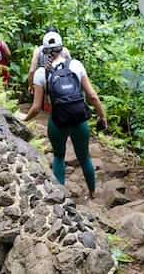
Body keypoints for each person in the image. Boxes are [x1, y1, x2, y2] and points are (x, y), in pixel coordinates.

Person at [17, 31, 107, 199]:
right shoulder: (76, 65)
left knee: (59, 156)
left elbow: (36, 107)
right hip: (80, 121)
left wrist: (25, 117)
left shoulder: (40, 73)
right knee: (84, 157)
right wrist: (102, 117)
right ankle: (92, 193)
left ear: (43, 50)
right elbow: (92, 96)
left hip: (58, 122)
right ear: (62, 48)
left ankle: (60, 198)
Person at [27, 26, 70, 111]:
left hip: (44, 80)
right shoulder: (64, 50)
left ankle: (45, 110)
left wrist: (31, 85)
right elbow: (69, 67)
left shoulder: (38, 51)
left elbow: (32, 71)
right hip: (61, 79)